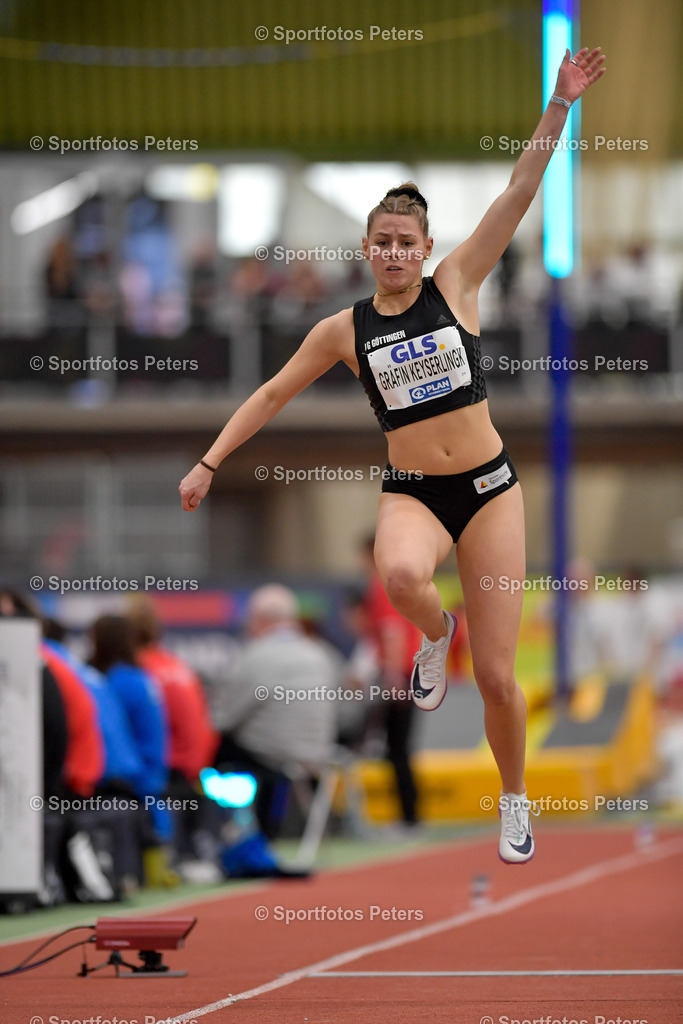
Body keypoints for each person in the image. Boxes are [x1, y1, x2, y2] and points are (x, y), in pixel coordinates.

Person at [180, 48, 606, 864]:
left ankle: (513, 797)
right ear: (367, 247)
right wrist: (210, 461)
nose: (394, 252)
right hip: (414, 487)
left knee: (497, 678)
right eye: (381, 241)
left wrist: (557, 106)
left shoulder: (459, 282)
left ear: (425, 246)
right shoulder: (342, 329)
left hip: (488, 491)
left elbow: (519, 190)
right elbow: (272, 394)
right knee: (403, 580)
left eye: (407, 241)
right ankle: (432, 631)